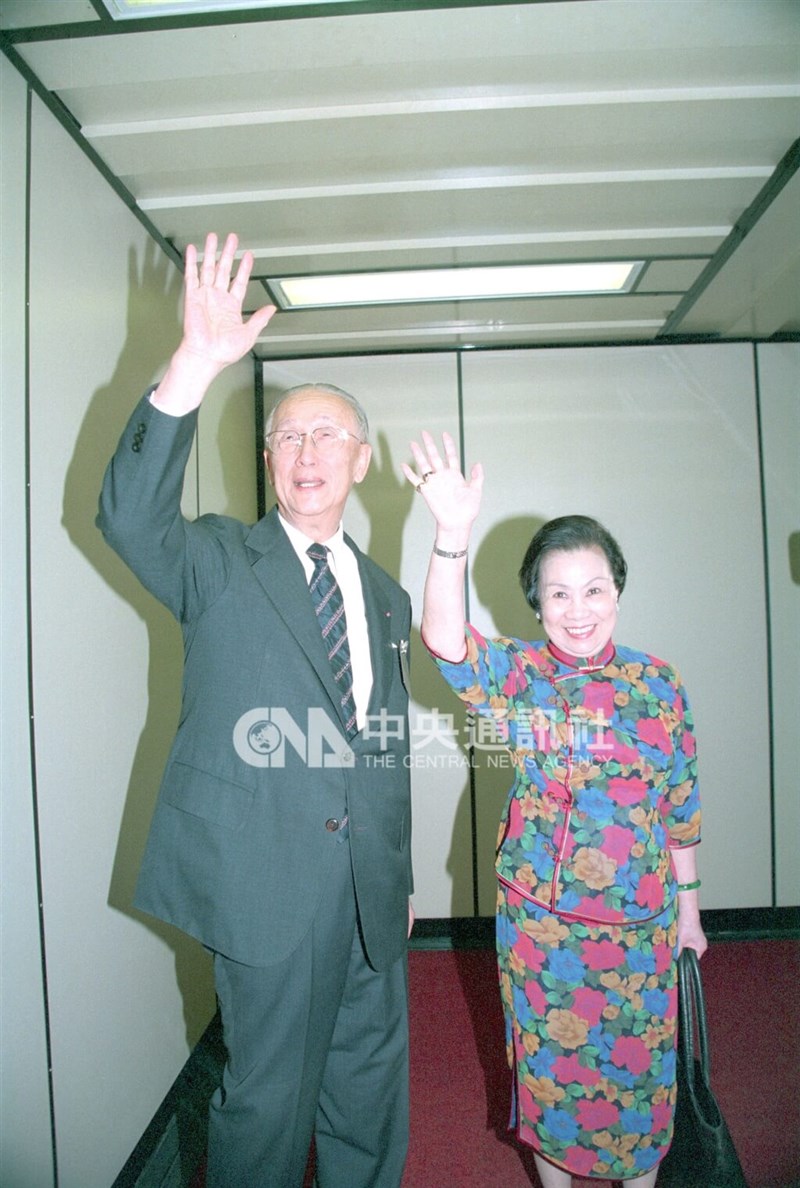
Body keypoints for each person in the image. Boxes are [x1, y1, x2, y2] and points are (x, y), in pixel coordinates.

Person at [98, 233, 414, 1188]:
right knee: (267, 1107)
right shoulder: (220, 562)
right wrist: (193, 364)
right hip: (263, 889)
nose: (304, 451)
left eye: (326, 436)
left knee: (368, 1096)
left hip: (368, 890)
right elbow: (129, 517)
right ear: (268, 456)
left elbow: (383, 746)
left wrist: (395, 879)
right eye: (285, 434)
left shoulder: (387, 597)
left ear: (361, 460)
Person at [402, 430, 706, 1188]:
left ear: (619, 591)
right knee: (550, 1078)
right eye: (559, 593)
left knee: (641, 1078)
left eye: (594, 589)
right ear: (536, 604)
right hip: (544, 926)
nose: (578, 611)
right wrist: (451, 536)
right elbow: (444, 644)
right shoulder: (521, 677)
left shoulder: (658, 684)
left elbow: (681, 803)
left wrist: (691, 906)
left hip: (641, 923)